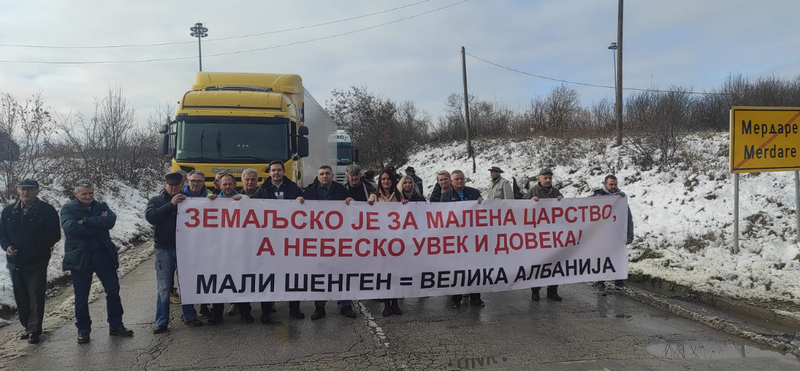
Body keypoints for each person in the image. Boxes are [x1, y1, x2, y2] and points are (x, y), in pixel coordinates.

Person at [61, 180, 134, 344]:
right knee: (81, 297)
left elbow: (111, 221)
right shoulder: (68, 208)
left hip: (104, 256)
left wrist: (85, 221)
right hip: (81, 257)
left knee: (113, 291)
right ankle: (83, 330)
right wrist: (98, 224)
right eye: (84, 194)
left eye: (90, 193)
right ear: (76, 194)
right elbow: (71, 229)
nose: (88, 197)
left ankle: (116, 325)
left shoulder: (101, 206)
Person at [0, 179, 61, 344]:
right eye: (22, 189)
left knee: (36, 295)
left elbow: (54, 235)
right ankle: (27, 326)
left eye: (29, 189)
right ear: (19, 191)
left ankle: (35, 330)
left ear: (37, 191)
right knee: (21, 297)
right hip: (15, 261)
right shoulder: (8, 212)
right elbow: (2, 234)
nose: (25, 193)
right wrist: (8, 247)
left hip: (37, 261)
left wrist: (37, 249)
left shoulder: (47, 211)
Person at [145, 172, 204, 334]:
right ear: (165, 185)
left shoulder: (189, 199)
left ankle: (190, 316)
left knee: (186, 284)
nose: (173, 188)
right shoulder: (156, 200)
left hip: (185, 249)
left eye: (176, 185)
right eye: (170, 185)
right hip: (164, 248)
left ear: (181, 185)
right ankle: (162, 321)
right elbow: (151, 217)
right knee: (164, 287)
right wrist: (171, 205)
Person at [247, 160, 307, 322]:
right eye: (273, 170)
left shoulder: (294, 188)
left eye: (278, 170)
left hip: (290, 241)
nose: (276, 173)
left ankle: (294, 308)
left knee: (293, 275)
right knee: (268, 276)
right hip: (270, 242)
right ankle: (266, 310)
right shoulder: (263, 189)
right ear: (269, 172)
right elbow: (252, 208)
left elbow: (307, 209)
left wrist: (302, 200)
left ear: (283, 172)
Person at [302, 165, 357, 320]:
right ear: (318, 176)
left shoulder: (342, 191)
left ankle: (346, 305)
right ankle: (320, 307)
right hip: (318, 238)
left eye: (327, 173)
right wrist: (299, 202)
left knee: (343, 271)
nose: (324, 176)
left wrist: (350, 201)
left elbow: (352, 210)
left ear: (332, 175)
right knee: (320, 272)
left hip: (339, 238)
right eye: (321, 174)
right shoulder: (309, 192)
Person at [440, 170, 484, 308]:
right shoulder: (446, 196)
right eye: (456, 180)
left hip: (472, 238)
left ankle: (476, 297)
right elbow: (441, 216)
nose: (459, 181)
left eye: (461, 179)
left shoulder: (474, 193)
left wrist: (482, 203)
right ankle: (456, 298)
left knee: (474, 268)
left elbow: (484, 212)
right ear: (452, 182)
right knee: (457, 269)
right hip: (455, 239)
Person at [525, 168, 564, 301]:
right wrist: (530, 202)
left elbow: (565, 210)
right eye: (545, 178)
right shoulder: (533, 191)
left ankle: (552, 290)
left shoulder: (555, 191)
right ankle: (535, 290)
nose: (548, 180)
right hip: (538, 235)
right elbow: (520, 207)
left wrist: (561, 201)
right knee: (538, 264)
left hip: (553, 235)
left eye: (550, 178)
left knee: (554, 264)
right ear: (539, 179)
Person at [182, 170, 216, 318]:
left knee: (205, 275)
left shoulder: (210, 198)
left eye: (199, 181)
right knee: (187, 277)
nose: (195, 184)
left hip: (205, 245)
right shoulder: (179, 197)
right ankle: (188, 313)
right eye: (193, 181)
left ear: (203, 183)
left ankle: (204, 306)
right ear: (187, 182)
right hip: (185, 246)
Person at [592, 175, 634, 289]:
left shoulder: (620, 198)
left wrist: (630, 234)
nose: (613, 187)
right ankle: (600, 281)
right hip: (601, 235)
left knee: (618, 258)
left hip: (617, 235)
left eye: (615, 184)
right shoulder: (597, 197)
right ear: (605, 184)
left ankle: (619, 282)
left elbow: (628, 217)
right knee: (602, 258)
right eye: (611, 184)